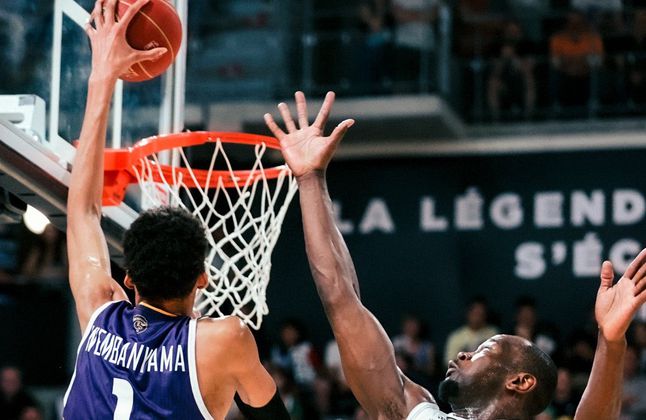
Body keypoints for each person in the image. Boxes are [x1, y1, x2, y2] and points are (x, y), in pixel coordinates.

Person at [263, 90, 646, 419]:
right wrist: (310, 179)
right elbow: (340, 298)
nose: (462, 354)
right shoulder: (414, 411)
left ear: (520, 381)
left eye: (485, 350)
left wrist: (611, 342)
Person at [62, 0, 289, 418]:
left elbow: (83, 212)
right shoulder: (225, 339)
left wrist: (102, 75)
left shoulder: (98, 310)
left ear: (129, 278)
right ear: (203, 276)